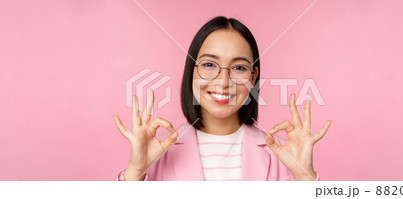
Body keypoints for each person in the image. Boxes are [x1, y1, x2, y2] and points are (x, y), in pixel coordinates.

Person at [113, 16, 332, 181]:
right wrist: (134, 173)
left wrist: (306, 179)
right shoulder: (157, 154)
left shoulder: (285, 156)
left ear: (253, 77)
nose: (223, 81)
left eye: (238, 67)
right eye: (209, 65)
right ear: (192, 70)